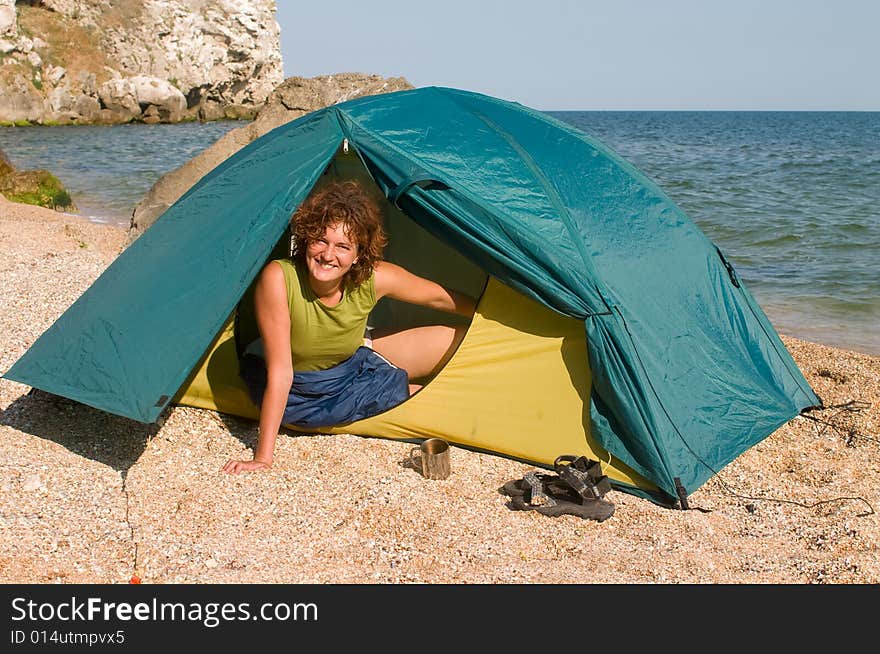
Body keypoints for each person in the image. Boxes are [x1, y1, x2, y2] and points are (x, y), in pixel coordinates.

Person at [222, 179, 476, 474]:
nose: (329, 255)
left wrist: (491, 316)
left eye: (343, 246)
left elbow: (437, 298)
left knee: (462, 340)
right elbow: (281, 371)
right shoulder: (279, 279)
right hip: (304, 389)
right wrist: (263, 458)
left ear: (358, 255)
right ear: (306, 239)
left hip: (351, 361)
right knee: (427, 400)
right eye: (320, 240)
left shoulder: (374, 276)